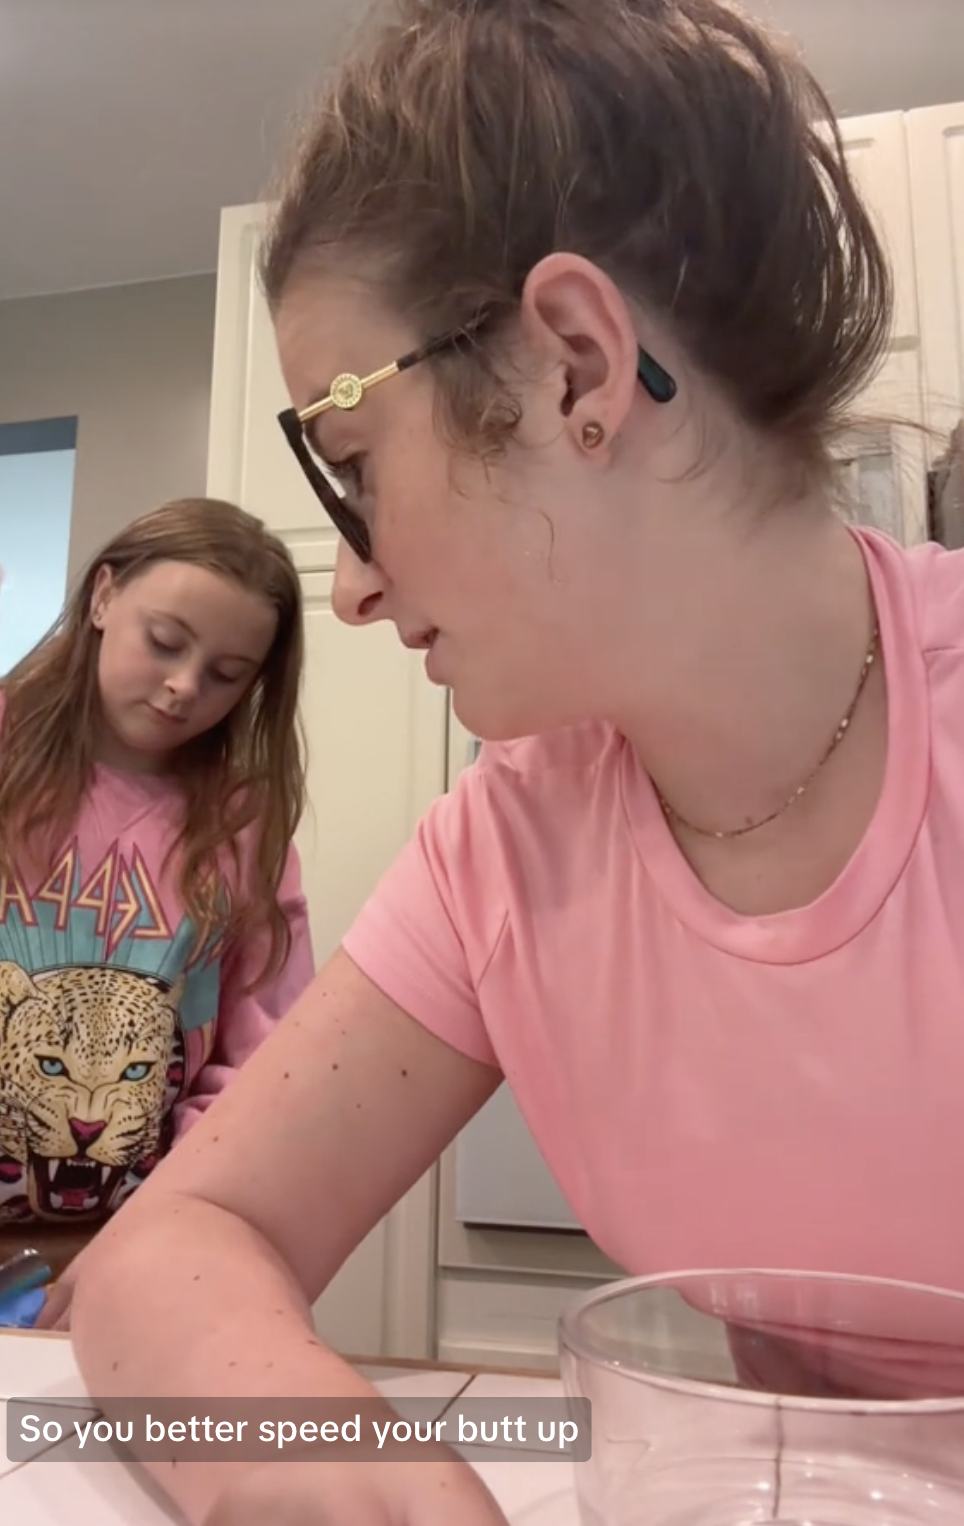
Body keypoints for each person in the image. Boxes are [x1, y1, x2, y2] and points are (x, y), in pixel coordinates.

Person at [67, 0, 964, 1520]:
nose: (343, 586)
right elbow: (177, 1244)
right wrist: (354, 1480)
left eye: (350, 471)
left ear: (573, 367)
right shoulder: (507, 847)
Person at [0, 497, 314, 1269]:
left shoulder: (243, 821)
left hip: (127, 1248)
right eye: (165, 642)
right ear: (104, 596)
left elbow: (266, 1051)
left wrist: (176, 1210)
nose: (183, 687)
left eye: (225, 675)